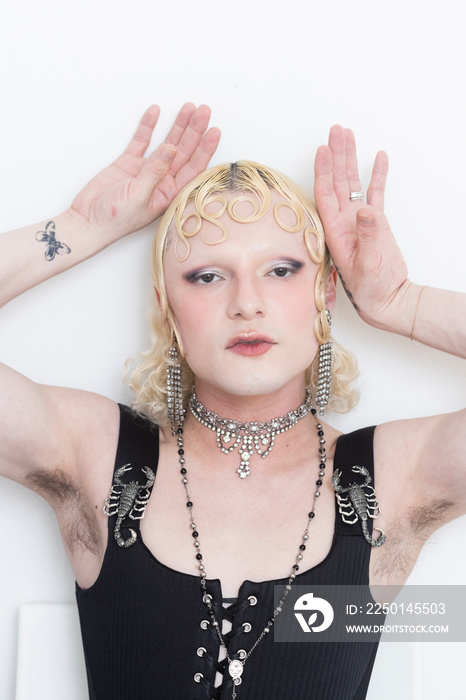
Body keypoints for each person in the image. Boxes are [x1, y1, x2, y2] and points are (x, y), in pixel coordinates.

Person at [0, 102, 464, 700]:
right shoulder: (97, 456)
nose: (247, 303)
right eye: (208, 277)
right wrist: (78, 229)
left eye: (280, 269)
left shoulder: (394, 479)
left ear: (324, 291)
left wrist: (403, 302)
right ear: (168, 304)